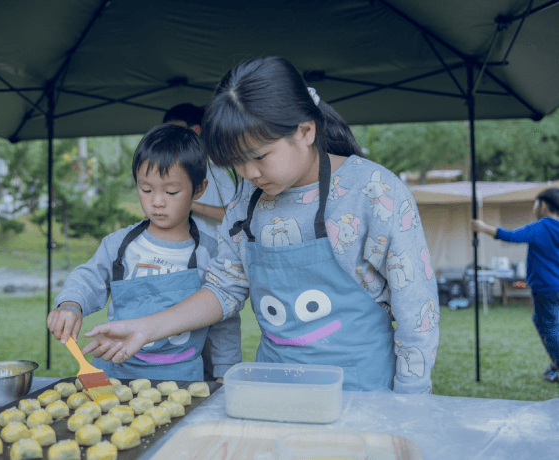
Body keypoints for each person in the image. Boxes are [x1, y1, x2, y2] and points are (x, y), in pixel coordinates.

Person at [81, 56, 440, 394]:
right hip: (275, 388)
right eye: (237, 162)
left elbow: (416, 311)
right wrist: (146, 328)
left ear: (305, 131)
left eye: (259, 156)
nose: (249, 173)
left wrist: (410, 398)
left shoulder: (374, 192)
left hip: (361, 391)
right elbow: (225, 289)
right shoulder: (247, 201)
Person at [47, 123, 241, 381]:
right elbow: (88, 277)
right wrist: (70, 304)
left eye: (171, 191)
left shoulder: (211, 252)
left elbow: (224, 319)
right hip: (116, 374)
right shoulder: (119, 245)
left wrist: (224, 373)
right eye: (146, 189)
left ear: (199, 189)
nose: (157, 201)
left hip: (182, 378)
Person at [163, 103, 243, 382]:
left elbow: (233, 217)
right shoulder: (173, 168)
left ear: (196, 131)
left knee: (213, 332)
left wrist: (188, 202)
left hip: (216, 266)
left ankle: (214, 383)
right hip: (180, 265)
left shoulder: (217, 172)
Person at [471, 187, 559, 383]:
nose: (535, 208)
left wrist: (483, 227)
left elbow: (511, 236)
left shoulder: (541, 227)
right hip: (555, 287)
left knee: (550, 328)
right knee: (544, 322)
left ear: (543, 205)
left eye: (536, 204)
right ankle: (555, 362)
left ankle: (558, 364)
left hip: (545, 288)